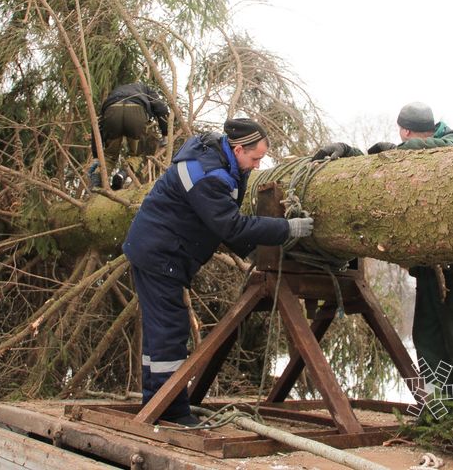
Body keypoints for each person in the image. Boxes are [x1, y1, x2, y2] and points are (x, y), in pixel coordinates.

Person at [122, 118, 314, 426]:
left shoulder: (219, 161)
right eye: (255, 158)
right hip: (160, 253)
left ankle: (155, 401)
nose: (257, 165)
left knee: (162, 332)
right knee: (170, 331)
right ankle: (169, 412)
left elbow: (219, 222)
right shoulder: (209, 173)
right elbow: (229, 223)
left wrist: (249, 248)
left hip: (158, 250)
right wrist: (285, 228)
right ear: (238, 150)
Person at [312, 102, 453, 393]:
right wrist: (348, 151)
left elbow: (445, 146)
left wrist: (398, 150)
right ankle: (439, 409)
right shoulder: (410, 153)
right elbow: (375, 167)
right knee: (427, 337)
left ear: (405, 130)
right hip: (428, 268)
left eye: (402, 136)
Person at [89, 82, 170, 189]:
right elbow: (162, 109)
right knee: (136, 155)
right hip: (136, 113)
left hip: (112, 111)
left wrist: (96, 156)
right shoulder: (146, 90)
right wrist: (165, 134)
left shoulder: (114, 92)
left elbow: (97, 126)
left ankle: (97, 178)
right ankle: (122, 174)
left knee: (109, 156)